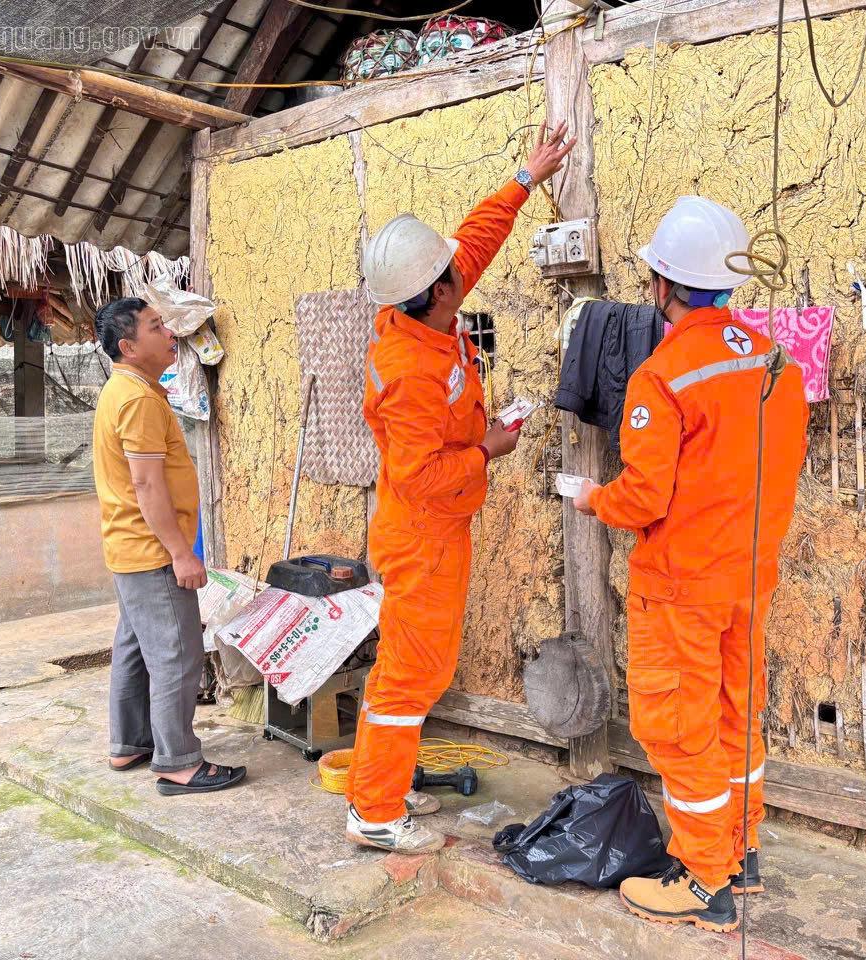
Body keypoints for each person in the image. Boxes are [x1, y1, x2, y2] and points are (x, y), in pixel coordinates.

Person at [571, 197, 809, 932]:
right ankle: (741, 854)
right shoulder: (777, 364)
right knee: (737, 714)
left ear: (662, 285)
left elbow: (644, 497)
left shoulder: (663, 376)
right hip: (749, 578)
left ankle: (706, 881)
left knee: (679, 728)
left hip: (682, 587)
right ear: (728, 284)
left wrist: (593, 499)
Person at [343, 122, 577, 854]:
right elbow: (420, 477)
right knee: (410, 673)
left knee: (418, 668)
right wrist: (487, 448)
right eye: (453, 272)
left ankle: (385, 783)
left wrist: (525, 178)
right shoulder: (410, 372)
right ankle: (374, 812)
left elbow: (473, 241)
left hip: (438, 528)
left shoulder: (419, 307)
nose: (461, 268)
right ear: (440, 292)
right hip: (422, 533)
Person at [92, 298, 246, 797]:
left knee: (136, 647)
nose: (169, 334)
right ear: (128, 346)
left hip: (130, 548)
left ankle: (129, 743)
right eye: (156, 327)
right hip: (152, 551)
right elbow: (147, 485)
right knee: (177, 654)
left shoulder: (127, 390)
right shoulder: (135, 400)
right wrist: (181, 552)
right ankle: (178, 763)